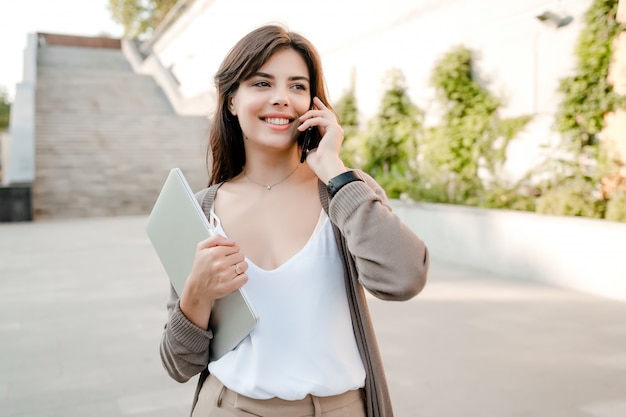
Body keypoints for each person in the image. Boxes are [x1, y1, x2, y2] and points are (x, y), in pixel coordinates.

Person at [159, 24, 430, 417]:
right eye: (262, 83)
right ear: (232, 101)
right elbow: (178, 363)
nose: (282, 98)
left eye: (298, 86)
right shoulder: (200, 212)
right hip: (228, 406)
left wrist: (336, 172)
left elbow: (404, 279)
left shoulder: (344, 191)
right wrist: (197, 293)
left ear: (315, 104)